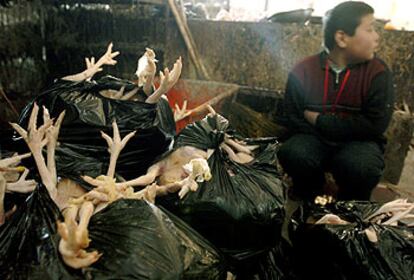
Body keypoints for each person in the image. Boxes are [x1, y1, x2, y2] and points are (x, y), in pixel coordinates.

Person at [278, 1, 394, 204]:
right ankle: (310, 197)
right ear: (342, 38)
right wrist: (328, 133)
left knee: (361, 166)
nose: (377, 36)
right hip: (313, 139)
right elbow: (292, 117)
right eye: (370, 29)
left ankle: (352, 207)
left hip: (358, 144)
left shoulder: (378, 72)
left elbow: (374, 126)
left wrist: (322, 122)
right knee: (294, 153)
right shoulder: (303, 71)